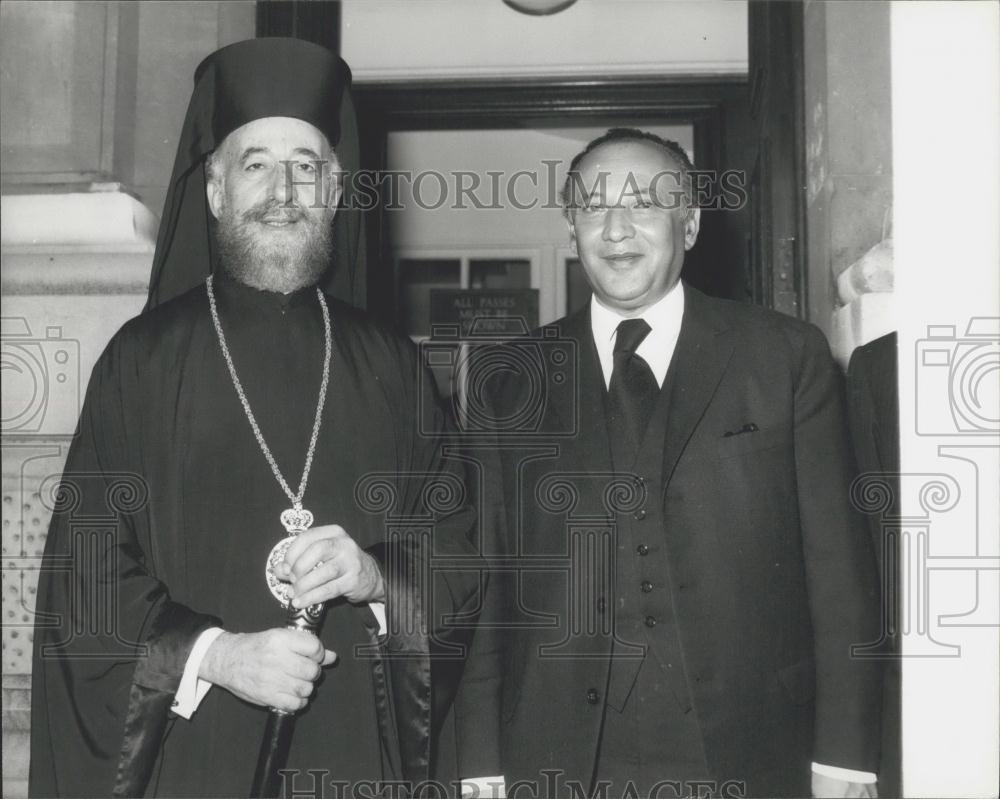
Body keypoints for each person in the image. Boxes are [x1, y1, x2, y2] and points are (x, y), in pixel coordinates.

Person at [29, 38, 481, 798]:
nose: (284, 189)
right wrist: (216, 654)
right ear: (213, 191)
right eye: (256, 164)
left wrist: (376, 577)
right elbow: (87, 574)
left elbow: (462, 550)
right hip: (190, 753)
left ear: (335, 191)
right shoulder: (140, 361)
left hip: (354, 756)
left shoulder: (392, 363)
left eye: (306, 165)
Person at [460, 128, 883, 798]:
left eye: (645, 204)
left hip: (751, 750)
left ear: (689, 224)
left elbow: (841, 576)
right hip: (558, 759)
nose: (617, 228)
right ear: (572, 229)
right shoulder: (507, 380)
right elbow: (483, 590)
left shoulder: (785, 358)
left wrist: (845, 757)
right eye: (594, 206)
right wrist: (481, 763)